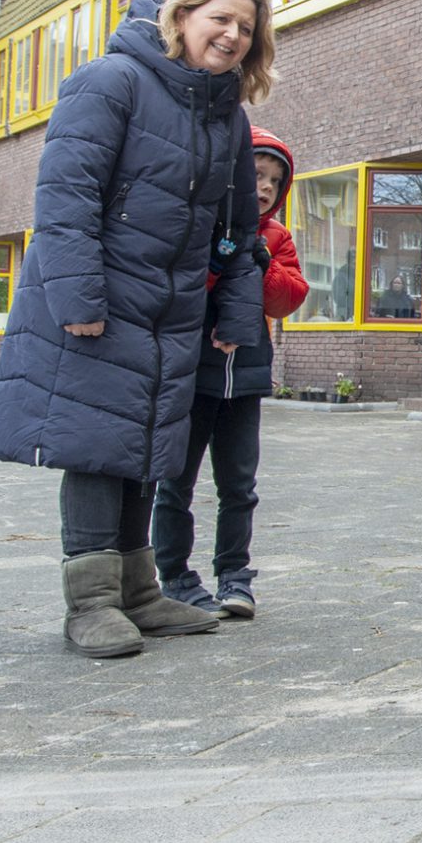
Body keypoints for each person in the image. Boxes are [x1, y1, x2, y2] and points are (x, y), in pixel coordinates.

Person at [0, 0, 272, 659]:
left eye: (246, 31)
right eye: (221, 19)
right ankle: (90, 601)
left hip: (169, 310)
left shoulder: (225, 116)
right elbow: (65, 197)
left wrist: (233, 311)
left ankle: (139, 591)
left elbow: (239, 230)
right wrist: (79, 298)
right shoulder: (111, 81)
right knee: (93, 444)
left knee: (145, 442)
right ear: (184, 14)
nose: (232, 36)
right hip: (101, 304)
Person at [151, 125, 310, 620]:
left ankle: (234, 576)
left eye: (274, 181)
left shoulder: (276, 237)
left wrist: (261, 261)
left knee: (239, 485)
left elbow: (289, 297)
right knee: (176, 480)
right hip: (192, 374)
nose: (264, 187)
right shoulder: (199, 225)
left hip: (244, 378)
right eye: (256, 175)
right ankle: (174, 575)